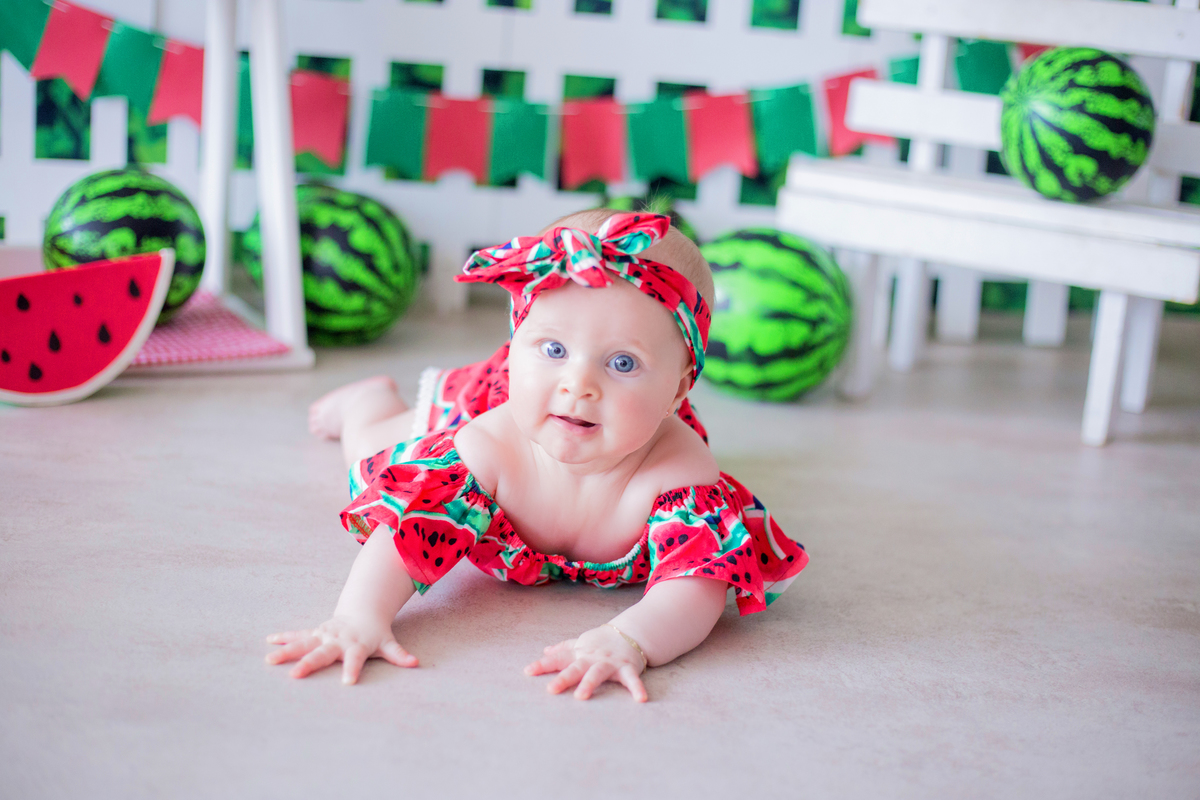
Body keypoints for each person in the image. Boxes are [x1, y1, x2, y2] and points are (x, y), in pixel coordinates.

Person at [266, 211, 808, 702]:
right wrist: (359, 616)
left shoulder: (676, 475)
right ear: (517, 342)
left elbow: (696, 584)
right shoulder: (490, 445)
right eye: (553, 349)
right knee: (371, 452)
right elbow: (406, 532)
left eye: (622, 363)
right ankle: (368, 402)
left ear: (676, 392)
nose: (578, 385)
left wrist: (631, 639)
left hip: (600, 419)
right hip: (489, 404)